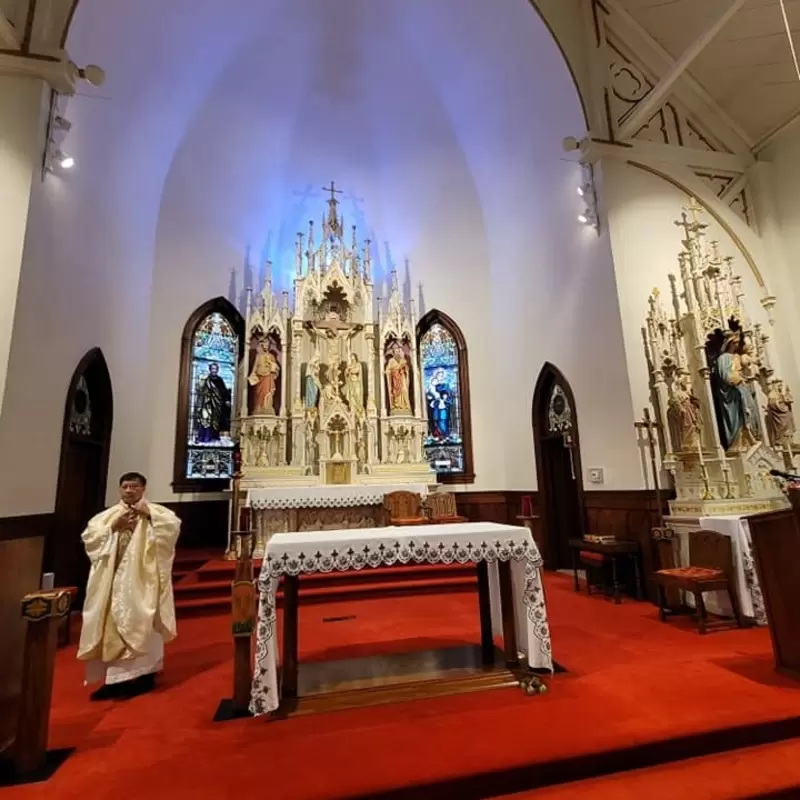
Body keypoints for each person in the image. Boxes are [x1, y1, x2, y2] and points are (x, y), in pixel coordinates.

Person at [77, 472, 181, 700]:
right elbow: (90, 539)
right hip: (111, 583)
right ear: (119, 489)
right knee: (109, 625)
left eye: (134, 486)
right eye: (125, 486)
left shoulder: (157, 513)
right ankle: (113, 681)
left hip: (144, 582)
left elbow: (172, 529)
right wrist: (113, 527)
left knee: (144, 622)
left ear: (143, 489)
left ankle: (146, 674)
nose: (129, 490)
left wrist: (150, 515)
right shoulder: (107, 517)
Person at [195, 361, 231, 442]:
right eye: (212, 368)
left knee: (215, 420)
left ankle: (214, 437)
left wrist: (226, 400)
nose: (214, 370)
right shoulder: (206, 379)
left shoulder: (219, 380)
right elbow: (200, 390)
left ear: (217, 370)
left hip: (217, 404)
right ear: (210, 369)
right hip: (206, 403)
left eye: (215, 369)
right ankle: (204, 437)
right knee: (205, 419)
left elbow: (224, 391)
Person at [249, 339, 280, 414]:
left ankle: (267, 407)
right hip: (260, 377)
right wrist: (252, 374)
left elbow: (276, 368)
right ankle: (258, 407)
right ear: (262, 346)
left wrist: (272, 365)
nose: (266, 347)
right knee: (259, 393)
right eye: (264, 345)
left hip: (269, 376)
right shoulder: (259, 356)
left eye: (267, 345)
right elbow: (255, 367)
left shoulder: (271, 356)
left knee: (268, 392)